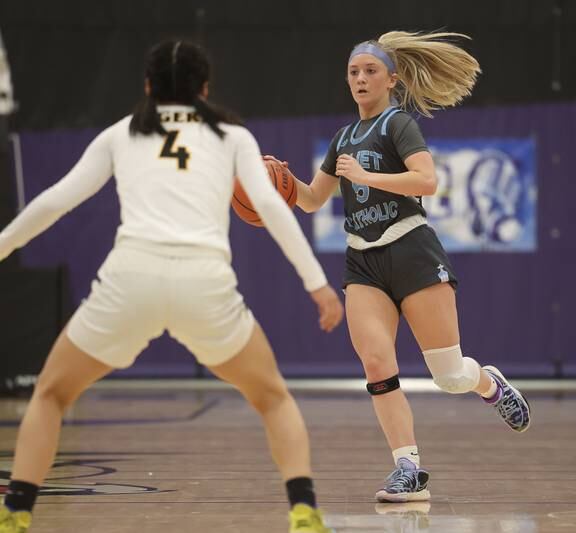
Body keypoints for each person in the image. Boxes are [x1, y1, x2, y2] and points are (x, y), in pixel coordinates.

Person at [0, 40, 341, 533]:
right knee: (273, 398)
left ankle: (15, 517)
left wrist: (3, 245)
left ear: (147, 86)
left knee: (51, 395)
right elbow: (269, 208)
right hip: (204, 285)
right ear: (204, 89)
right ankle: (304, 512)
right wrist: (317, 283)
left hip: (129, 280)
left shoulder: (121, 134)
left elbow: (55, 202)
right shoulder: (232, 136)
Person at [265, 31, 531, 503]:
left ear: (391, 79)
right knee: (376, 364)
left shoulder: (397, 124)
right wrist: (281, 185)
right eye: (353, 72)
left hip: (412, 250)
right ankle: (407, 468)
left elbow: (427, 180)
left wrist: (366, 176)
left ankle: (489, 383)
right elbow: (311, 200)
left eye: (370, 71)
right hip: (362, 261)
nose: (361, 79)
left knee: (448, 376)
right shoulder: (342, 137)